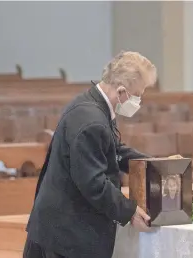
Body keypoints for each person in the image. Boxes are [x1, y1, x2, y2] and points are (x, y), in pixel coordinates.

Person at [24, 51, 158, 258]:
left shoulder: (94, 104)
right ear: (121, 91)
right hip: (64, 235)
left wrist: (153, 164)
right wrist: (129, 212)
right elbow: (93, 182)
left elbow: (113, 151)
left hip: (64, 230)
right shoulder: (91, 120)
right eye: (138, 94)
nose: (140, 100)